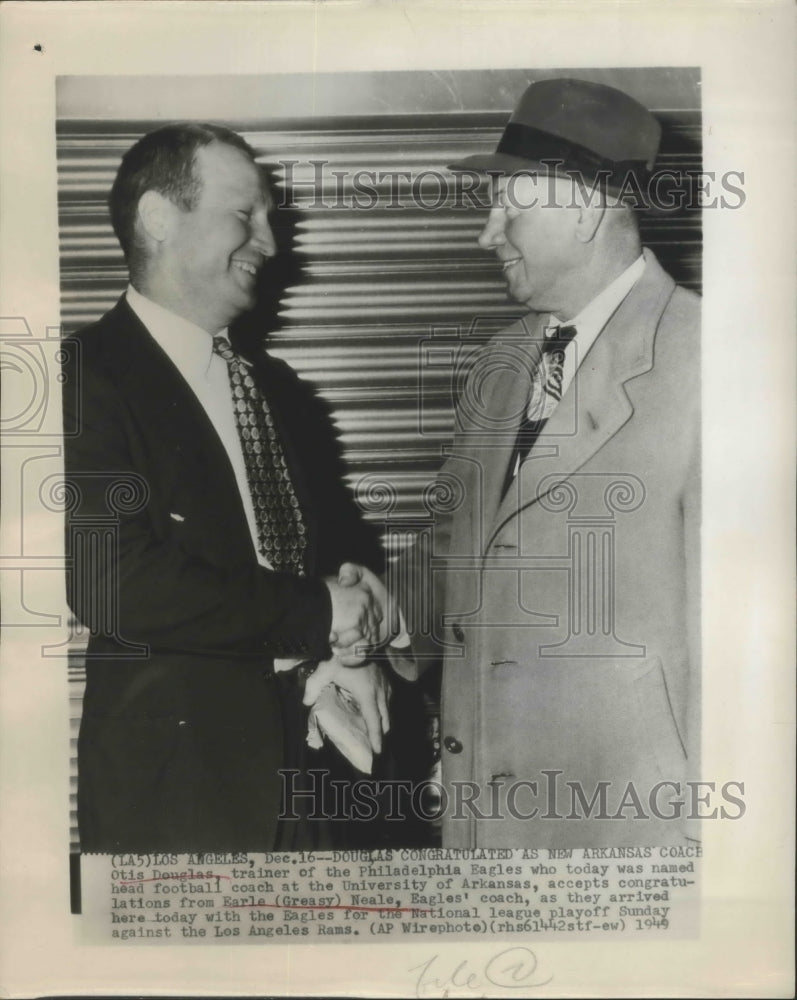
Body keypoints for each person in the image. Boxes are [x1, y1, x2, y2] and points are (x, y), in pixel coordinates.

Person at [61, 123, 396, 854]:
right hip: (180, 798)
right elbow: (109, 579)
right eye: (244, 215)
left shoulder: (279, 391)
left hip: (317, 775)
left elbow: (333, 555)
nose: (270, 244)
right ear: (158, 218)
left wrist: (354, 647)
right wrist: (318, 614)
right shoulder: (81, 377)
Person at [385, 78, 701, 848]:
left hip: (625, 842)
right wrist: (377, 617)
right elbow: (457, 543)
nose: (486, 234)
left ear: (584, 207)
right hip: (483, 830)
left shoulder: (714, 358)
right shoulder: (504, 360)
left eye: (508, 207)